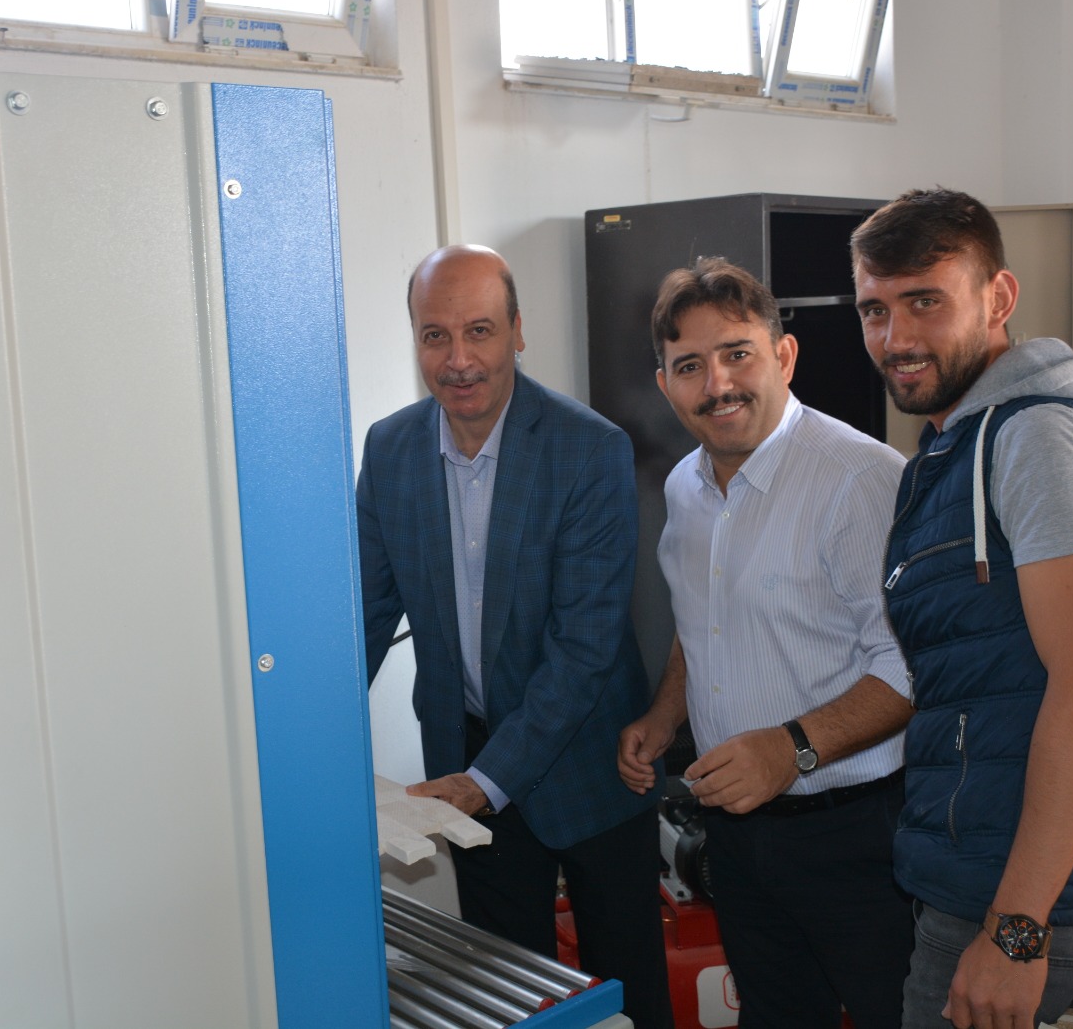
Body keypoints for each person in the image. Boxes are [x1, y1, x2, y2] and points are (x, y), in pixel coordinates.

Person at [850, 188, 1073, 1029]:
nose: (896, 338)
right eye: (875, 309)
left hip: (1016, 897)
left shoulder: (1036, 437)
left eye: (925, 301)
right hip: (977, 870)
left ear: (999, 298)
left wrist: (1017, 932)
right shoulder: (954, 448)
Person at [357, 244, 672, 1029]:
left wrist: (484, 781)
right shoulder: (389, 450)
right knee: (506, 999)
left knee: (626, 996)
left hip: (592, 767)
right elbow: (362, 617)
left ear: (518, 331)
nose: (458, 360)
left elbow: (585, 648)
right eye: (435, 336)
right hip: (466, 753)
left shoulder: (589, 449)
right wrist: (306, 757)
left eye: (480, 331)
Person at [617, 257, 915, 1029]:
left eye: (737, 354)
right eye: (690, 366)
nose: (717, 384)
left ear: (784, 356)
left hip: (858, 834)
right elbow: (705, 621)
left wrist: (793, 749)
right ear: (666, 385)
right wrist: (665, 715)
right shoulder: (684, 488)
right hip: (738, 832)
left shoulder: (860, 479)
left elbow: (909, 664)